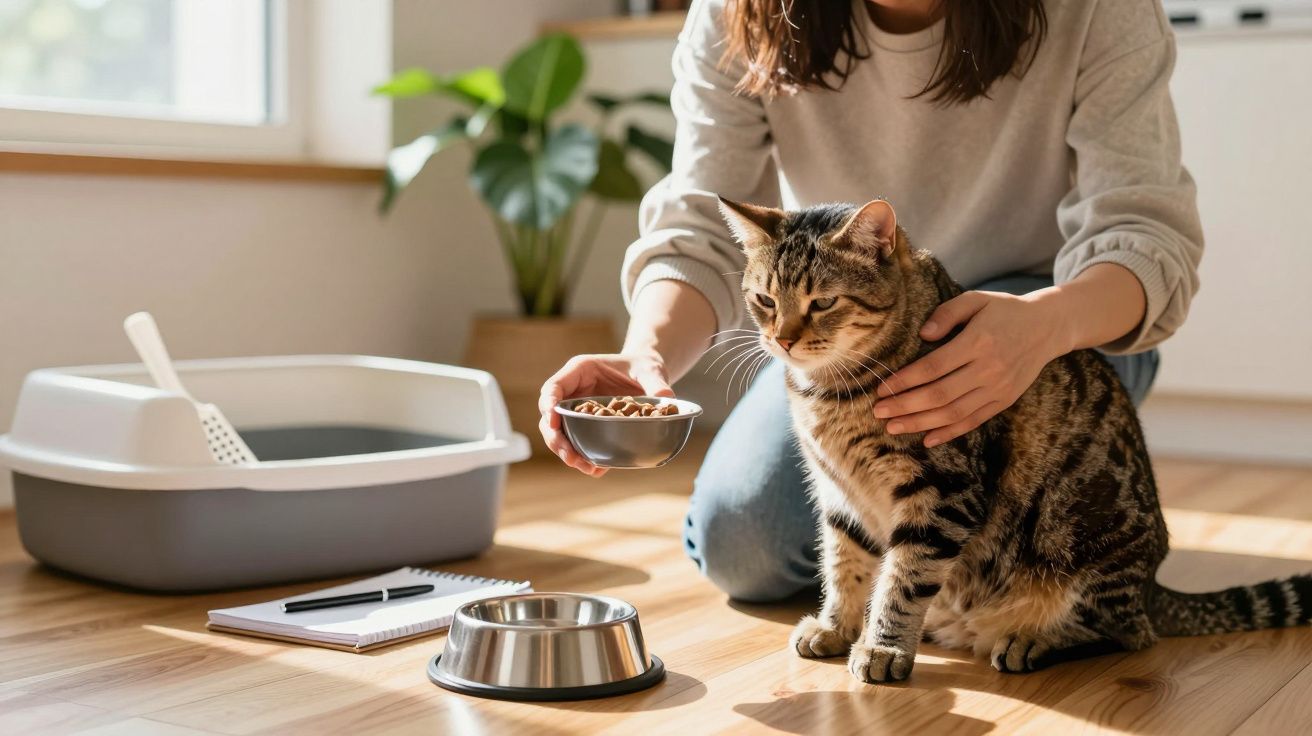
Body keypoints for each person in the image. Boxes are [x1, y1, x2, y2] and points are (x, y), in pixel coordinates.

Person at [538, 0, 1203, 602]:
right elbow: (702, 231)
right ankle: (951, 553)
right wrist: (643, 357)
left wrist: (1042, 327)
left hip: (1054, 316)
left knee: (988, 501)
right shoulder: (737, 14)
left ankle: (1006, 537)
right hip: (848, 327)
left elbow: (1143, 235)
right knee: (745, 549)